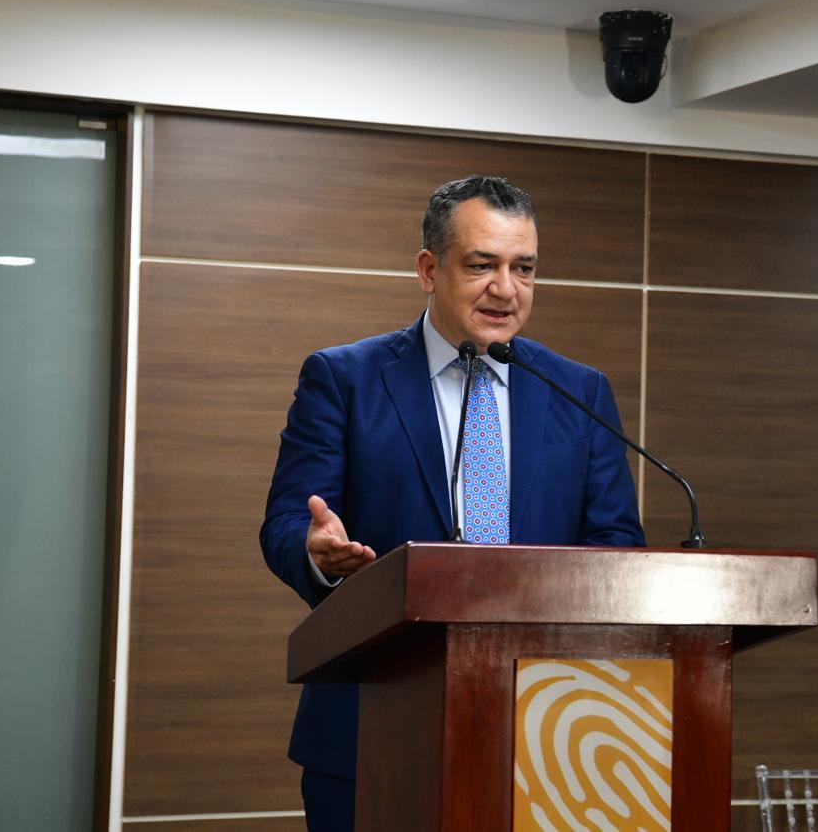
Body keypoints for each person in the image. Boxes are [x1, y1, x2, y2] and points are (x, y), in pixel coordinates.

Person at [260, 175, 645, 831]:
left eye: (523, 268)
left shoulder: (580, 391)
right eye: (482, 264)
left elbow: (618, 547)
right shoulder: (345, 379)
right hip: (370, 731)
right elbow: (288, 522)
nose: (506, 288)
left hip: (543, 737)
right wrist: (316, 554)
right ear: (428, 269)